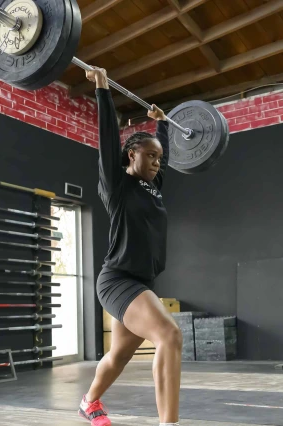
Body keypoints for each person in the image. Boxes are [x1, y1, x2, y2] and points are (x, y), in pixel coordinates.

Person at [78, 67, 182, 426]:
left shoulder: (153, 186)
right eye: (149, 156)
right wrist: (104, 92)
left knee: (119, 356)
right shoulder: (117, 185)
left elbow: (163, 155)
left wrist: (162, 124)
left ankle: (89, 402)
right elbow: (108, 140)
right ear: (131, 154)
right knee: (169, 335)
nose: (156, 163)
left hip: (142, 282)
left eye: (157, 157)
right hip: (119, 280)